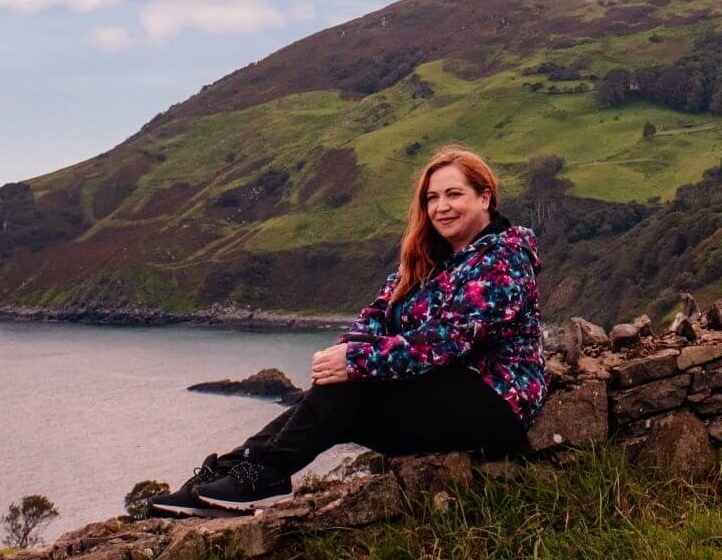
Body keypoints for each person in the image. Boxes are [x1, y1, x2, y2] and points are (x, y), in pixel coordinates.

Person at [149, 146, 548, 516]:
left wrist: (354, 362)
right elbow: (376, 315)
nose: (441, 207)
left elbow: (447, 339)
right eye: (431, 198)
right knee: (332, 396)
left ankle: (261, 473)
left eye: (454, 195)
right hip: (442, 387)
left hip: (497, 402)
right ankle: (235, 469)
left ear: (485, 197)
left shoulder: (504, 259)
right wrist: (344, 354)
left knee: (349, 386)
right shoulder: (426, 260)